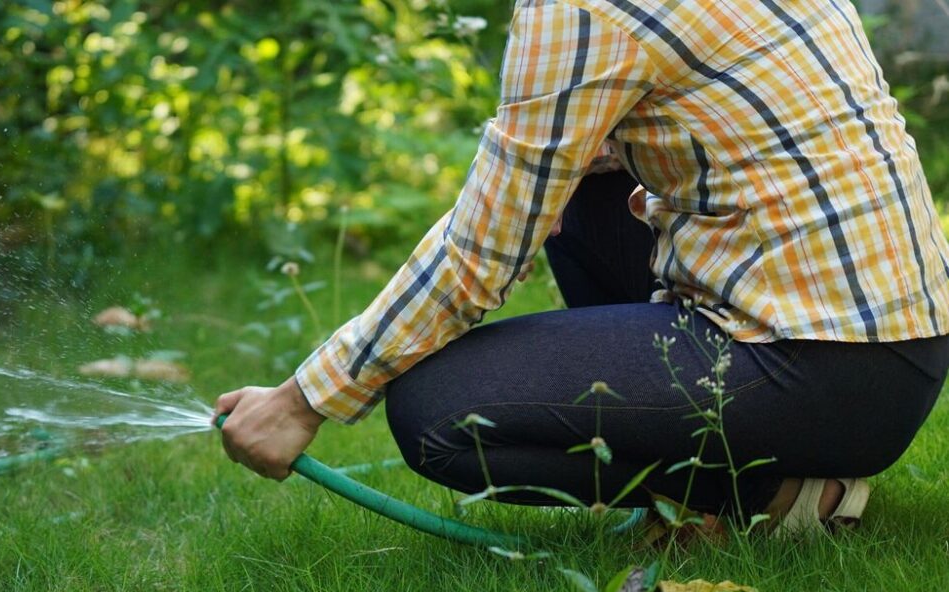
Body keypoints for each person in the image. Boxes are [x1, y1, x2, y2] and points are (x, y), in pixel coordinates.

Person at [214, 0, 949, 532]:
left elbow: (479, 255)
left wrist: (303, 400)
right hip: (895, 346)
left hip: (820, 370)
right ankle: (749, 463)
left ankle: (784, 496)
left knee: (439, 414)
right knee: (586, 186)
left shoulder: (580, 11)